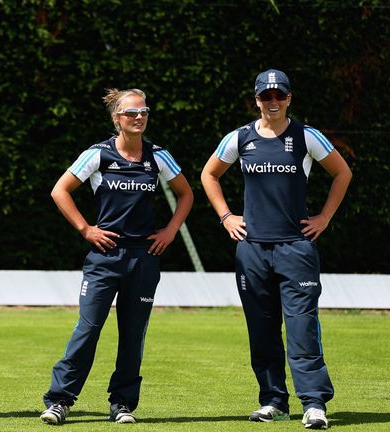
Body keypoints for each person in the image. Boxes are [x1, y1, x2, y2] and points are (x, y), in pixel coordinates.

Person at [201, 69, 352, 430]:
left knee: (301, 327)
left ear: (289, 99)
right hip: (251, 250)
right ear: (256, 99)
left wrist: (324, 218)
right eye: (266, 96)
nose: (272, 102)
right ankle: (273, 401)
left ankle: (314, 404)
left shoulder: (305, 136)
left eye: (279, 96)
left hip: (296, 248)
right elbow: (209, 175)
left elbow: (342, 173)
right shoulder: (239, 138)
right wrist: (225, 217)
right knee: (262, 329)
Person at [40, 88, 193, 425]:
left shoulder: (158, 156)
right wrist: (86, 229)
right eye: (131, 113)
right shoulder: (98, 155)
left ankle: (122, 404)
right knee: (88, 328)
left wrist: (170, 231)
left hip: (144, 258)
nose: (138, 118)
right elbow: (59, 190)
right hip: (104, 258)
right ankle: (60, 400)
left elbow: (186, 194)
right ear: (116, 119)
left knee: (133, 332)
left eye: (143, 112)